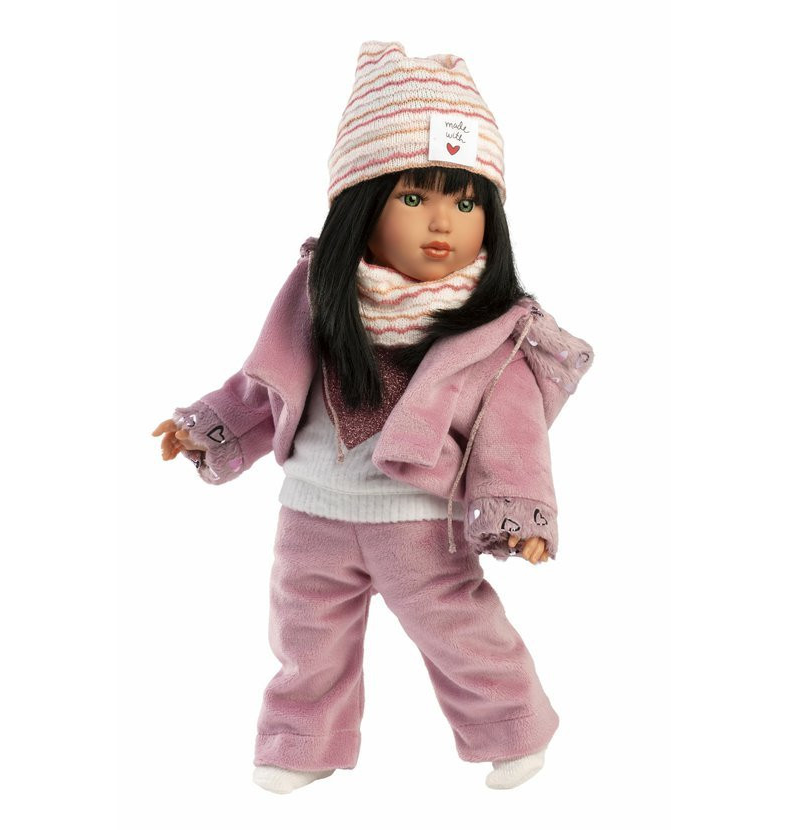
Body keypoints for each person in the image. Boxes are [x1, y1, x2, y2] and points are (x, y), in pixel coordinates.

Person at [152, 41, 594, 794]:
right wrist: (211, 423)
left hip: (419, 521)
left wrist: (519, 510)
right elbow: (267, 383)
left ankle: (513, 728)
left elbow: (512, 435)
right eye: (414, 199)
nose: (443, 222)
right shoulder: (318, 298)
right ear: (360, 203)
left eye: (467, 203)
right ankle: (301, 743)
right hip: (311, 514)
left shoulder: (493, 331)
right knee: (305, 638)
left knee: (461, 633)